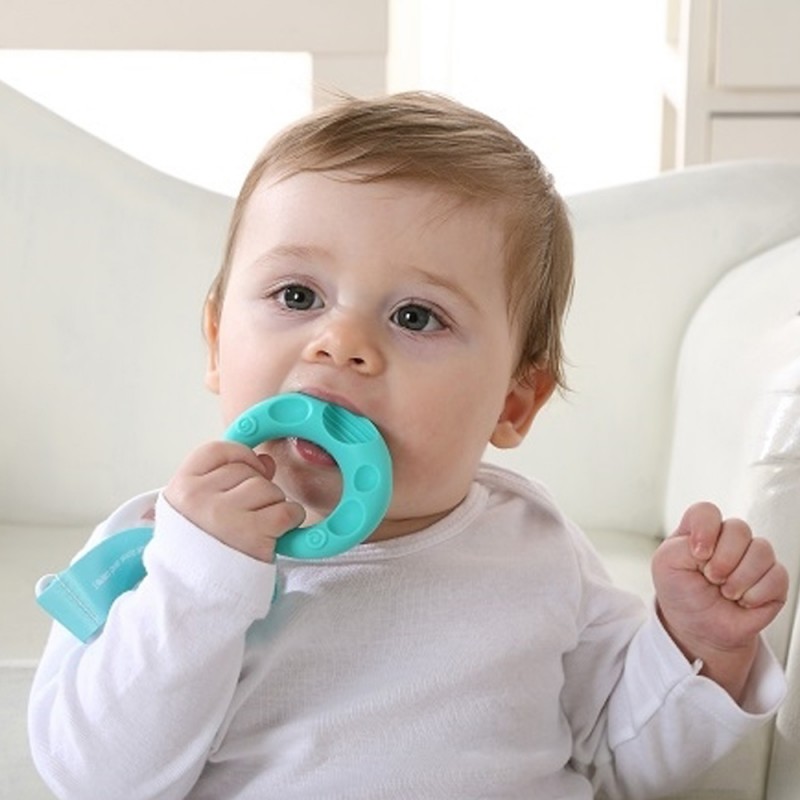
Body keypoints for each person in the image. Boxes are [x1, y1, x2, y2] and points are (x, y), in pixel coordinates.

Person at [29, 92, 788, 800]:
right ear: (217, 341)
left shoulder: (535, 547)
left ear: (514, 402)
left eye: (416, 317)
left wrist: (698, 648)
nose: (341, 342)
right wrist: (201, 581)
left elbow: (627, 761)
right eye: (297, 295)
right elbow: (96, 779)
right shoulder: (159, 549)